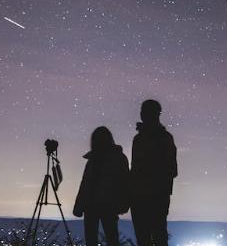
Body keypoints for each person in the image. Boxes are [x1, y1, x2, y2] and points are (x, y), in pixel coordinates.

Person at [130, 99, 178, 246]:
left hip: (141, 196)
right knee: (159, 234)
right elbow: (173, 170)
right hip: (159, 196)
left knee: (144, 237)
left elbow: (135, 170)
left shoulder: (139, 139)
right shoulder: (166, 138)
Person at [73, 126, 130, 246]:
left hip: (98, 205)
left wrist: (79, 206)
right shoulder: (118, 158)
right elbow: (125, 183)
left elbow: (85, 184)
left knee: (97, 239)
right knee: (111, 238)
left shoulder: (94, 160)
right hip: (107, 205)